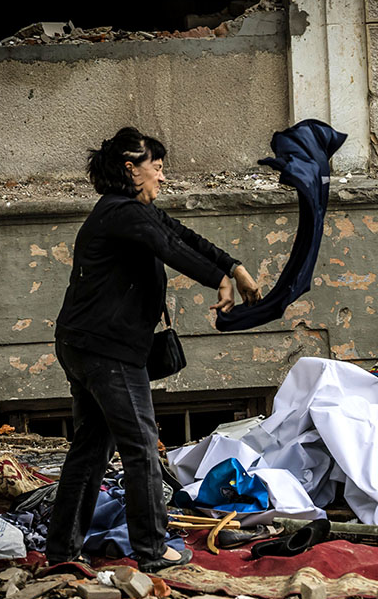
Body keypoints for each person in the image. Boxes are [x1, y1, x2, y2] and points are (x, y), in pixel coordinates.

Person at [46, 126, 261, 571]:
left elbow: (180, 235)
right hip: (107, 352)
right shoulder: (121, 214)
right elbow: (170, 248)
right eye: (157, 168)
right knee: (141, 446)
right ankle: (150, 549)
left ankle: (62, 552)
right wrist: (217, 279)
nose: (162, 178)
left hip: (85, 344)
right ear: (131, 168)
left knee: (90, 449)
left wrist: (233, 267)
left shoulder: (128, 211)